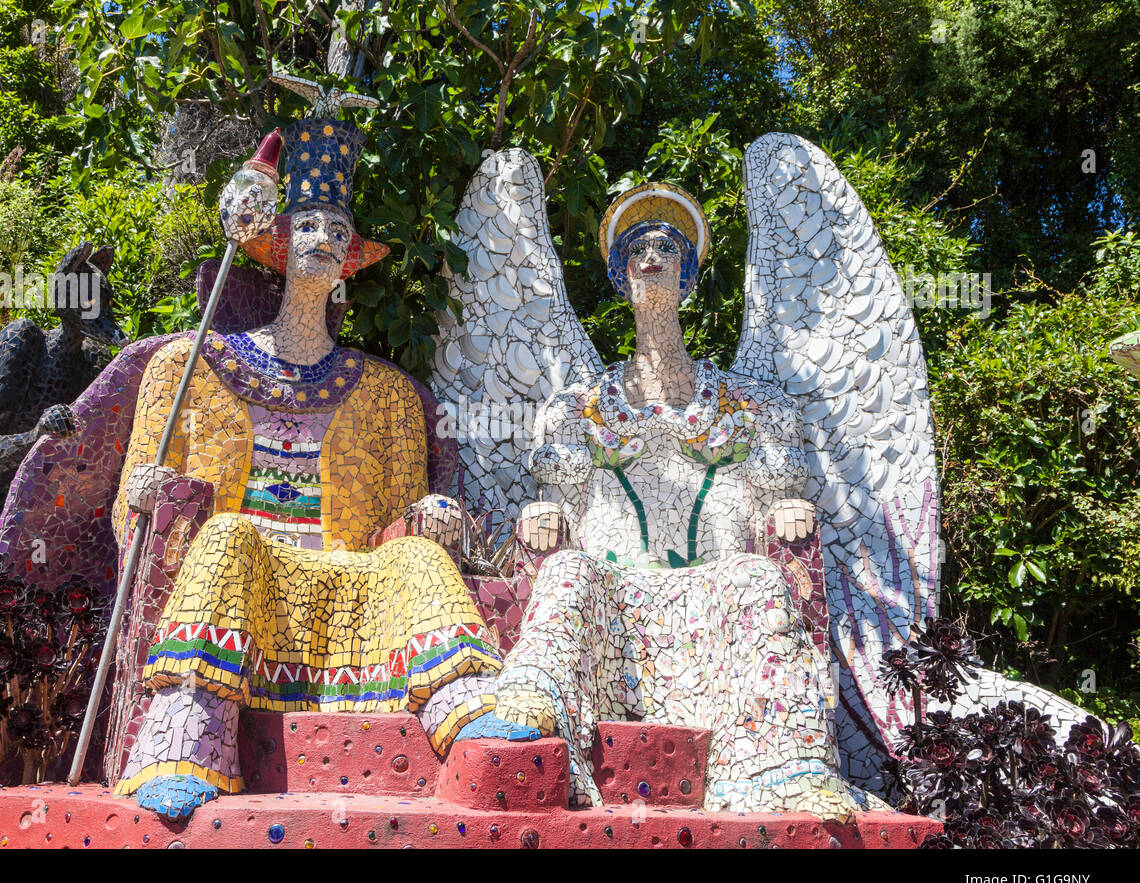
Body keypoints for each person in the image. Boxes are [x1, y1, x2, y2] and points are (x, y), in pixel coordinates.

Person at [112, 116, 502, 819]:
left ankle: (465, 706)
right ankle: (183, 741)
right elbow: (137, 495)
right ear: (279, 243)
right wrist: (147, 493)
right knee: (228, 538)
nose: (323, 239)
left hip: (345, 580)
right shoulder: (191, 366)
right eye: (309, 226)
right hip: (241, 577)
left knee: (415, 557)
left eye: (337, 231)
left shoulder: (384, 394)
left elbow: (394, 524)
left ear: (350, 258)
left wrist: (430, 517)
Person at [485, 183, 874, 819]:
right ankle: (536, 715)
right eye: (636, 248)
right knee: (567, 569)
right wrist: (542, 511)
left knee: (756, 578)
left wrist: (781, 511)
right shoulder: (579, 409)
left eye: (668, 247)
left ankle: (783, 768)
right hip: (611, 599)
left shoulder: (749, 407)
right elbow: (556, 498)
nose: (651, 256)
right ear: (618, 274)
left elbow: (771, 500)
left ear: (690, 275)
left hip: (714, 596)